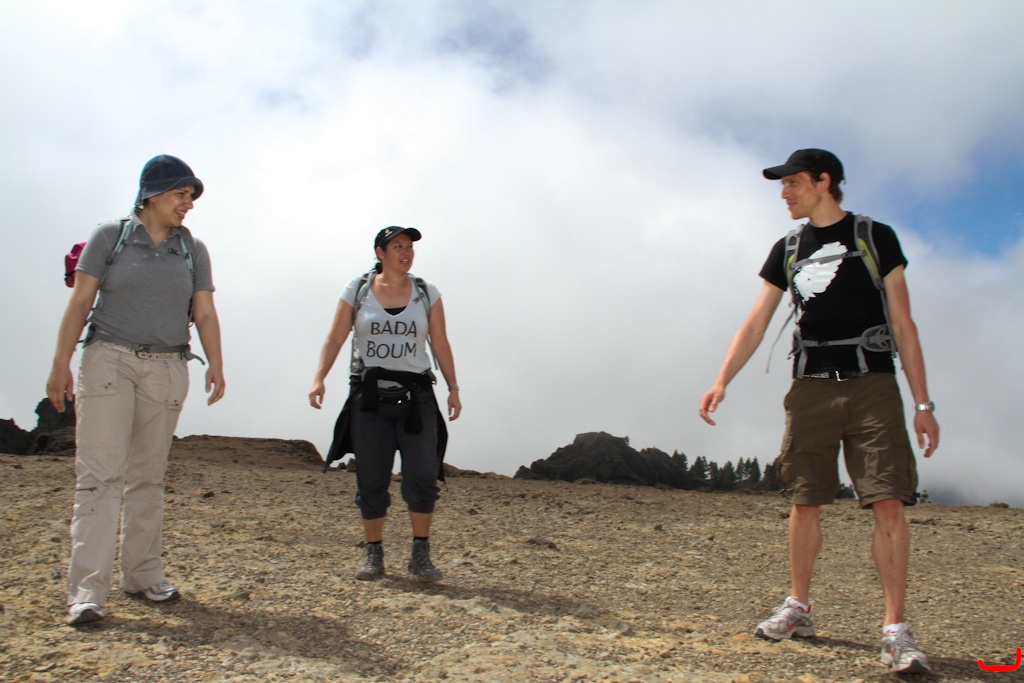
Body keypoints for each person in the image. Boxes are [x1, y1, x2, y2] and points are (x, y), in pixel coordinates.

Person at [698, 149, 939, 674]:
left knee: (888, 501)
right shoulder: (787, 249)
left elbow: (904, 324)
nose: (784, 193)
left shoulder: (875, 237)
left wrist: (922, 403)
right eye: (782, 185)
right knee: (805, 500)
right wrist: (721, 380)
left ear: (824, 181)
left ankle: (896, 631)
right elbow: (756, 323)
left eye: (792, 183)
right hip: (809, 389)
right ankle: (799, 609)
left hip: (872, 385)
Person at [46, 155, 225, 626]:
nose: (188, 204)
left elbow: (204, 312)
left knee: (148, 476)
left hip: (168, 367)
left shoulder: (193, 250)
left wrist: (217, 364)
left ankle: (143, 575)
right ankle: (87, 592)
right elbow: (81, 301)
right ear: (152, 194)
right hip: (109, 360)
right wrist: (60, 365)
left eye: (191, 196)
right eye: (181, 194)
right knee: (100, 476)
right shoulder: (111, 237)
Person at [309, 226, 461, 583]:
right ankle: (373, 554)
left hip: (417, 396)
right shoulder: (358, 289)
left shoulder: (426, 292)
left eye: (409, 247)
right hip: (370, 397)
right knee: (372, 477)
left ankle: (420, 555)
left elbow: (440, 342)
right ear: (380, 252)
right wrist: (319, 378)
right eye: (398, 246)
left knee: (422, 476)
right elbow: (336, 335)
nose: (406, 253)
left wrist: (453, 387)